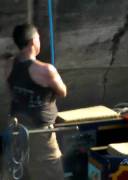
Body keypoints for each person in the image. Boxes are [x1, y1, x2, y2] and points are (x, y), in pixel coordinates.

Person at [5, 23, 67, 180]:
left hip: (16, 129)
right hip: (40, 133)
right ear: (33, 41)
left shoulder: (9, 64)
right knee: (52, 172)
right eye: (38, 38)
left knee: (22, 170)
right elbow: (63, 91)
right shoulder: (45, 70)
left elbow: (11, 88)